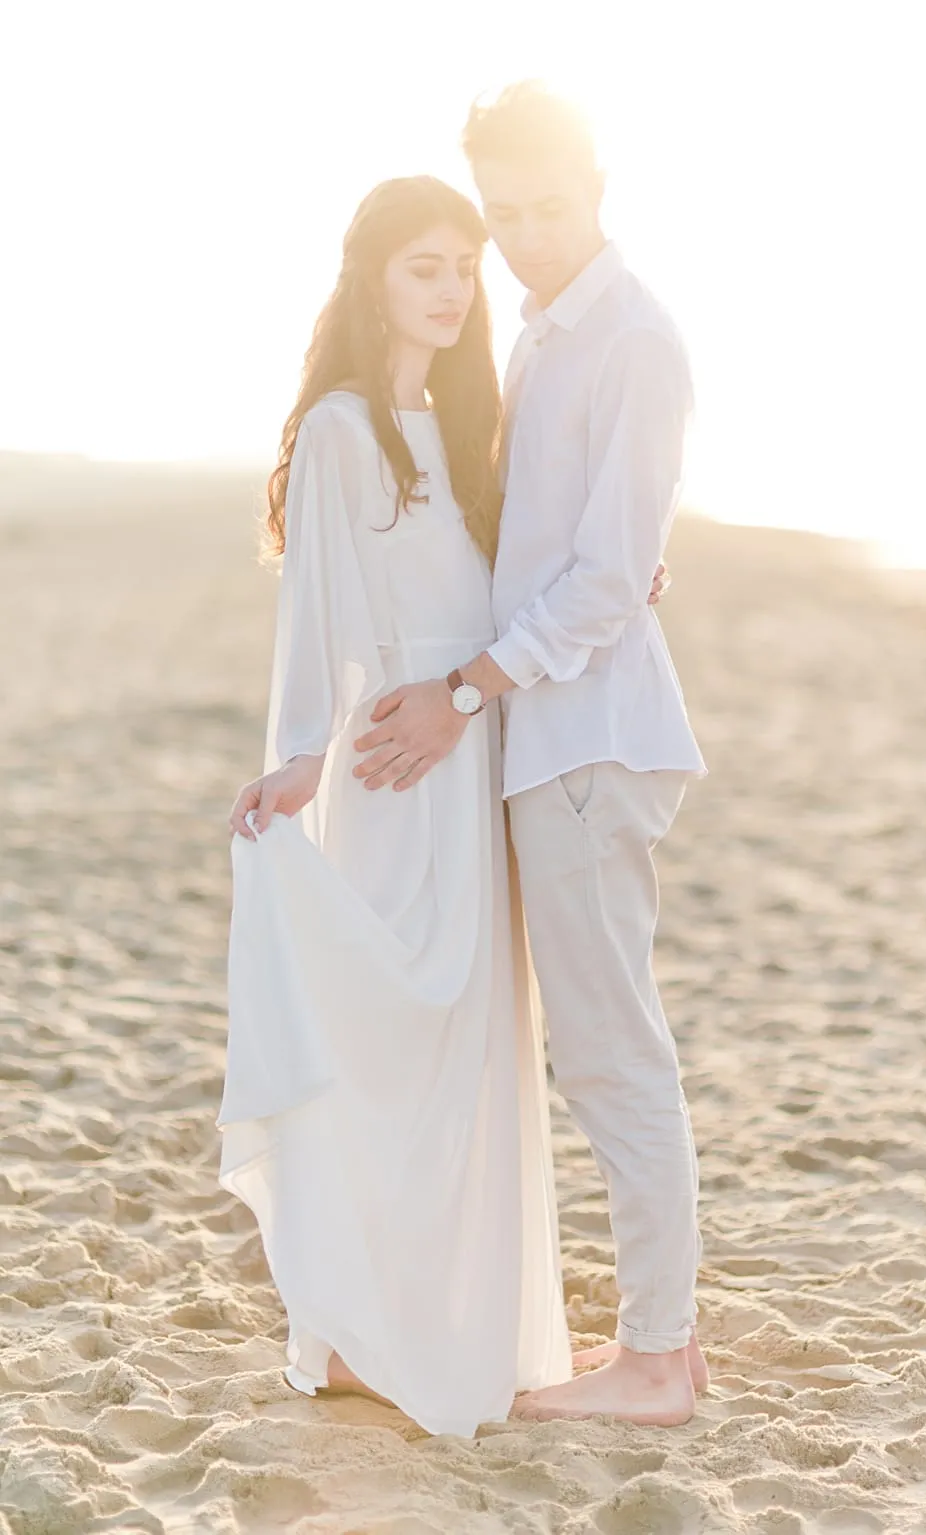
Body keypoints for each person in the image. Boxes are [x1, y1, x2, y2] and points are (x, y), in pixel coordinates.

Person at [350, 83, 711, 1426]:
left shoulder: (634, 338)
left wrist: (460, 689)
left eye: (546, 206)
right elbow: (574, 546)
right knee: (602, 1050)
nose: (526, 236)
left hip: (586, 743)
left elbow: (608, 573)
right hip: (552, 736)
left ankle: (659, 1361)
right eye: (503, 217)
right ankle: (666, 1343)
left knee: (614, 1053)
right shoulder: (545, 335)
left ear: (599, 185)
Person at [217, 175, 580, 1438]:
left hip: (470, 764)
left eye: (462, 267)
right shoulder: (338, 429)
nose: (449, 287)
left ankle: (448, 1321)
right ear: (372, 274)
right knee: (384, 1050)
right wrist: (305, 760)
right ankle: (359, 1328)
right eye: (424, 263)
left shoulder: (472, 427)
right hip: (386, 774)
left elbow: (517, 595)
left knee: (473, 1054)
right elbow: (315, 619)